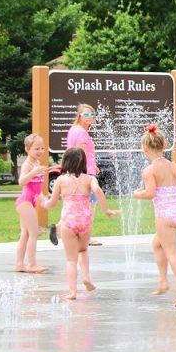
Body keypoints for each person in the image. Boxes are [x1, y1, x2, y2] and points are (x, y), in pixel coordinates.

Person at [43, 147, 118, 301]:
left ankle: (72, 292)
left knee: (71, 259)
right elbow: (98, 191)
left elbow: (51, 204)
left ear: (66, 162)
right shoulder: (90, 179)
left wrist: (42, 202)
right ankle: (86, 278)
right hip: (85, 220)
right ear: (84, 162)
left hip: (68, 222)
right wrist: (107, 210)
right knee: (83, 251)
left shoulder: (60, 180)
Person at [134, 124, 176, 307]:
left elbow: (150, 193)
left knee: (172, 252)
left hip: (165, 215)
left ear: (144, 149)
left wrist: (137, 194)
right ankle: (163, 281)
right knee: (157, 243)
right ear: (164, 145)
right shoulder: (174, 167)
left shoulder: (150, 170)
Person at [66, 103, 102, 247]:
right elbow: (80, 154)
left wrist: (94, 166)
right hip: (84, 174)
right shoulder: (81, 132)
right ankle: (86, 237)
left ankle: (57, 229)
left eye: (91, 114)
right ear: (79, 116)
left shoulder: (74, 130)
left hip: (78, 172)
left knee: (76, 206)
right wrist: (86, 173)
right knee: (90, 205)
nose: (89, 117)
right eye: (86, 114)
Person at [14, 133, 49, 273]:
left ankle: (19, 264)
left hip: (30, 202)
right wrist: (33, 172)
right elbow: (21, 182)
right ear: (27, 149)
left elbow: (37, 188)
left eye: (42, 148)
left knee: (25, 234)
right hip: (24, 202)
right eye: (36, 149)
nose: (40, 151)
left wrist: (42, 198)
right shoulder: (27, 165)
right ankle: (32, 264)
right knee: (33, 233)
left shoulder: (37, 164)